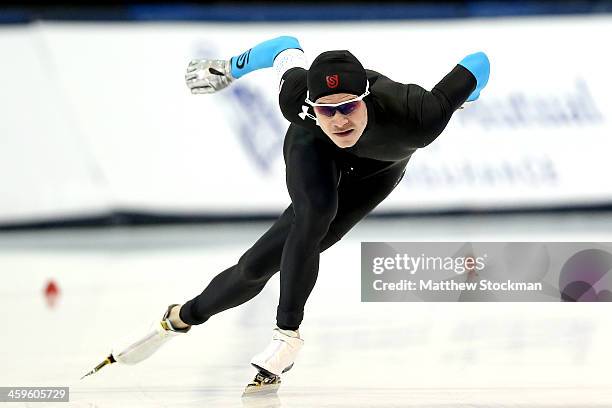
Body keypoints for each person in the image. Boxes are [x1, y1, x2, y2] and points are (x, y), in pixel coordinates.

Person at [83, 36, 490, 393]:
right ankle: (261, 331)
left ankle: (196, 319)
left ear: (365, 99)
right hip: (313, 149)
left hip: (378, 172)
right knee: (299, 226)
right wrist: (229, 69)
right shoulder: (296, 98)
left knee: (266, 261)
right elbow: (284, 46)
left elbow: (479, 61)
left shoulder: (418, 114)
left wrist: (463, 95)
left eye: (348, 107)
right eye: (326, 109)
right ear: (311, 105)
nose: (340, 120)